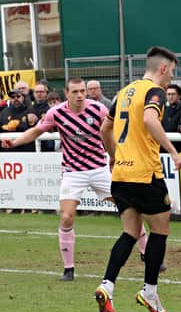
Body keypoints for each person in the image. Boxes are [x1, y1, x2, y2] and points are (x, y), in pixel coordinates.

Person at [1, 78, 153, 281]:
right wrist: (16, 141)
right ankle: (69, 269)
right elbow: (36, 131)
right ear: (67, 93)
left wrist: (119, 155)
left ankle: (146, 253)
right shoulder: (57, 113)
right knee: (66, 216)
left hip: (99, 168)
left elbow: (115, 132)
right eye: (75, 92)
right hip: (73, 172)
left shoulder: (98, 109)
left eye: (82, 91)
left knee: (129, 208)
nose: (80, 95)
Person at [95, 46, 181, 312]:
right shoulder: (154, 92)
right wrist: (172, 151)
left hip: (121, 176)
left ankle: (107, 285)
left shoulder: (124, 92)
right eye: (172, 70)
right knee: (160, 230)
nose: (172, 76)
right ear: (162, 68)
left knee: (130, 232)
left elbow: (104, 129)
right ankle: (150, 291)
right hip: (145, 174)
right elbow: (149, 119)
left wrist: (113, 156)